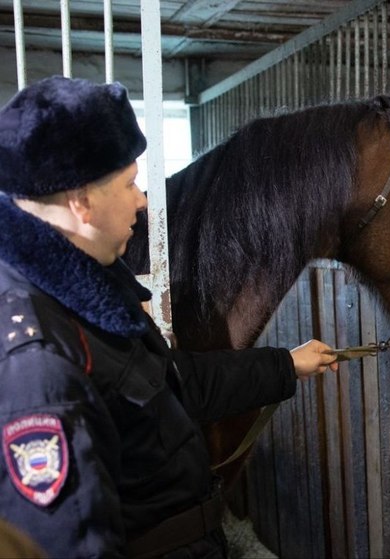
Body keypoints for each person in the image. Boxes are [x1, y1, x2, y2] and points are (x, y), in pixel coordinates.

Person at [0, 76, 338, 558]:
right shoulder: (37, 357)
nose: (141, 199)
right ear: (82, 202)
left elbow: (175, 385)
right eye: (129, 183)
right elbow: (74, 543)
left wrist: (287, 364)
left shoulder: (93, 285)